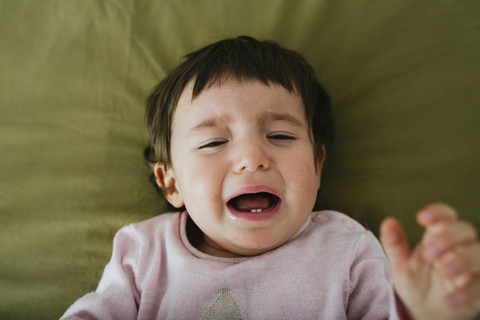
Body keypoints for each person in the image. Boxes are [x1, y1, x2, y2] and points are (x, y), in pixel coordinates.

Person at [61, 36, 480, 319]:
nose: (251, 158)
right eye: (212, 143)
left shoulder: (345, 248)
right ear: (171, 183)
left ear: (318, 164)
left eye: (279, 135)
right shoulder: (144, 252)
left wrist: (421, 309)